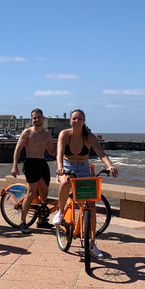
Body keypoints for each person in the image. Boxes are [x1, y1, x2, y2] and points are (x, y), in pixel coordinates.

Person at [53, 109, 119, 258]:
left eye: (80, 119)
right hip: (67, 166)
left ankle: (92, 243)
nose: (77, 121)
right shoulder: (65, 134)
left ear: (84, 121)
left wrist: (110, 165)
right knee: (65, 183)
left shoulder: (89, 137)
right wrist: (60, 168)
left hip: (83, 168)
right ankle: (61, 212)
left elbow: (101, 153)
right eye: (74, 119)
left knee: (91, 205)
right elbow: (59, 153)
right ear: (70, 121)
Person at [10, 108, 56, 233]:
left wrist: (62, 153)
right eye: (34, 118)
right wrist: (15, 166)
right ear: (32, 119)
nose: (37, 119)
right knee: (31, 193)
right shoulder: (27, 132)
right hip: (31, 163)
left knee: (45, 194)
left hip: (42, 163)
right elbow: (18, 149)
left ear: (43, 118)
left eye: (39, 117)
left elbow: (51, 150)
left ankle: (41, 221)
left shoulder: (47, 134)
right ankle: (23, 222)